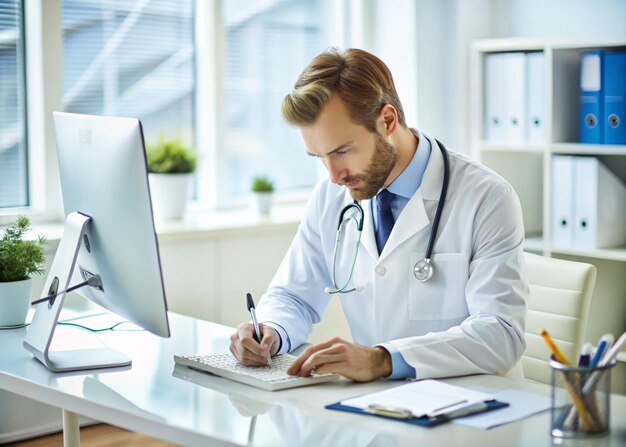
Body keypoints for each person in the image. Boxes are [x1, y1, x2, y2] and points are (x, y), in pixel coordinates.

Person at [229, 47, 528, 382]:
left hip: (471, 410)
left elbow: (501, 334)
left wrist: (383, 360)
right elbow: (293, 296)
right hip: (378, 406)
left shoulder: (486, 197)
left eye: (342, 150)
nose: (334, 175)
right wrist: (270, 331)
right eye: (319, 157)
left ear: (387, 120)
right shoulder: (331, 196)